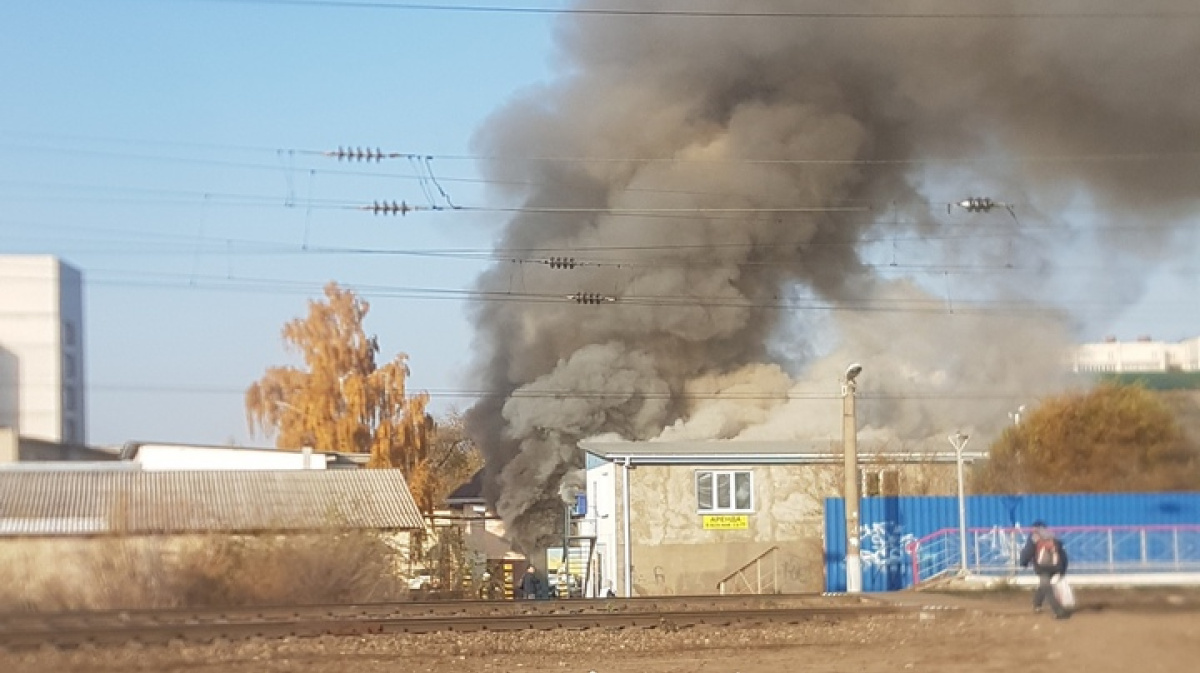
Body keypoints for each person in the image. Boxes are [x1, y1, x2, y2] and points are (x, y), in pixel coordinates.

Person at [1019, 520, 1070, 619]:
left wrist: (1023, 562)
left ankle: (1058, 611)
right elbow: (1063, 554)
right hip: (1056, 566)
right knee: (1044, 584)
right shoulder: (1053, 537)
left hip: (1042, 568)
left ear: (1034, 528)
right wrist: (1062, 569)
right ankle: (1037, 604)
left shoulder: (1034, 537)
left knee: (1046, 586)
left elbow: (1028, 551)